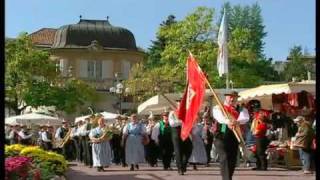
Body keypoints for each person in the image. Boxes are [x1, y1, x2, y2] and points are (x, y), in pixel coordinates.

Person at [212, 91, 249, 180]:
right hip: (221, 134)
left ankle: (228, 177)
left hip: (235, 135)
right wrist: (228, 121)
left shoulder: (241, 109)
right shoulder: (219, 107)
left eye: (234, 97)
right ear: (226, 97)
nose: (232, 99)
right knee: (224, 157)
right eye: (230, 97)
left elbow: (245, 117)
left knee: (232, 159)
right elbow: (219, 117)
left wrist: (237, 121)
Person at [169, 100, 193, 175]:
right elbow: (172, 123)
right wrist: (181, 121)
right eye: (180, 103)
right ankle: (180, 169)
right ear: (177, 104)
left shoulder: (186, 112)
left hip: (185, 132)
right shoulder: (172, 113)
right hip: (176, 132)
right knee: (178, 151)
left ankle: (184, 164)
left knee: (189, 148)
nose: (181, 105)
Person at [251, 106, 270, 171]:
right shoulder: (261, 124)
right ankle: (259, 166)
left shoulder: (262, 125)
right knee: (257, 153)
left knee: (260, 153)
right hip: (259, 139)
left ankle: (263, 166)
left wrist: (254, 132)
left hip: (260, 139)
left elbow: (255, 133)